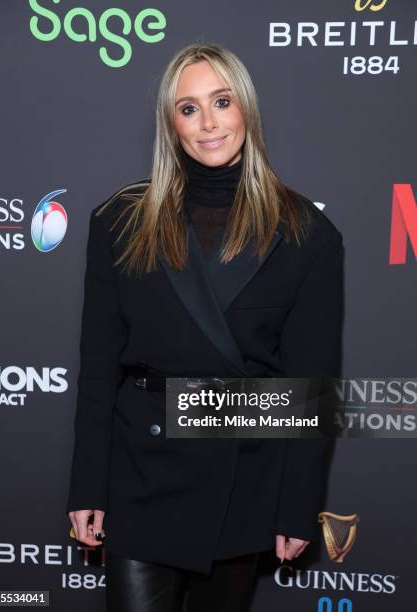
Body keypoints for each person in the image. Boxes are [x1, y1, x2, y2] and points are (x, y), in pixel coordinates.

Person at [66, 43, 344, 612]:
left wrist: (296, 507)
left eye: (222, 101)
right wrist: (88, 486)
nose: (209, 122)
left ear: (246, 109)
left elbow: (310, 387)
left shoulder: (306, 233)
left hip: (241, 475)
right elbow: (97, 370)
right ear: (171, 123)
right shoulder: (120, 220)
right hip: (141, 474)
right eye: (189, 108)